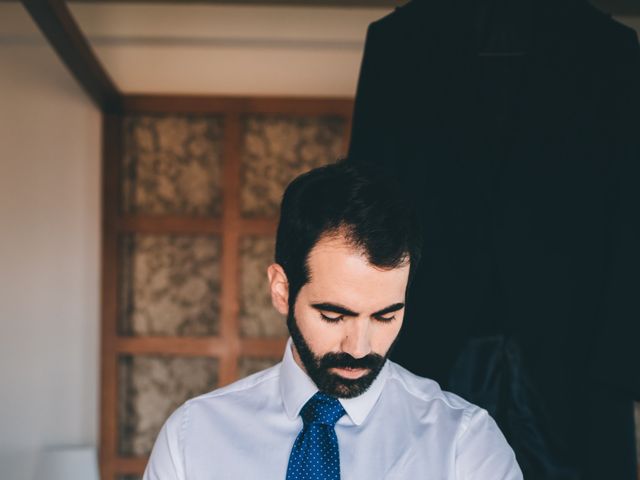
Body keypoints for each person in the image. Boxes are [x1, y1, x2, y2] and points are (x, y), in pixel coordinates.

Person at [143, 159, 523, 479]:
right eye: (333, 315)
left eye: (385, 316)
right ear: (281, 290)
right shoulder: (192, 438)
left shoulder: (466, 446)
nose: (359, 347)